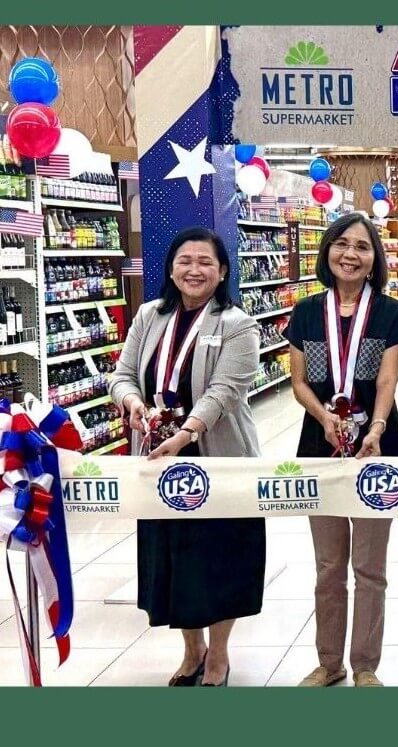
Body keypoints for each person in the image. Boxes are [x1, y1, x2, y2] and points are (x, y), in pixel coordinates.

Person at [110, 226, 264, 688]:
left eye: (205, 262)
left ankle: (218, 654)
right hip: (159, 458)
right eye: (185, 260)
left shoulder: (238, 324)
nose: (194, 270)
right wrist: (133, 403)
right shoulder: (148, 317)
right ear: (171, 268)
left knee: (220, 555)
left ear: (221, 273)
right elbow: (122, 375)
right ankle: (191, 649)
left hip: (217, 457)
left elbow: (225, 392)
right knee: (173, 556)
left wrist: (187, 432)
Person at [285, 213, 398, 688]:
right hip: (319, 443)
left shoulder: (390, 313)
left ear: (374, 258)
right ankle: (328, 662)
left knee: (369, 564)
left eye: (362, 247)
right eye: (342, 244)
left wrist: (375, 429)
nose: (351, 255)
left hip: (376, 445)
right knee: (328, 564)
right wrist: (325, 418)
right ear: (328, 252)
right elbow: (299, 382)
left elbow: (387, 379)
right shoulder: (304, 313)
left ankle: (364, 666)